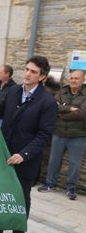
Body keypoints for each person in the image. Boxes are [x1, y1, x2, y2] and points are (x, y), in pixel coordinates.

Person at [0, 55, 57, 233]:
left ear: (42, 77)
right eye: (27, 69)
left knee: (21, 197)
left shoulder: (47, 102)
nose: (28, 74)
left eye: (33, 72)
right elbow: (0, 110)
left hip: (25, 160)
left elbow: (44, 135)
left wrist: (24, 154)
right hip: (4, 154)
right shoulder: (14, 91)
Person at [38, 70, 86, 200]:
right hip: (59, 132)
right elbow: (54, 107)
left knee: (75, 164)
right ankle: (50, 184)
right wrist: (70, 109)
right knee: (54, 161)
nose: (73, 80)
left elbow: (82, 114)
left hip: (78, 135)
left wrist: (62, 114)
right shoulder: (62, 91)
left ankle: (71, 188)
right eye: (71, 78)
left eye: (76, 78)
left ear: (83, 80)